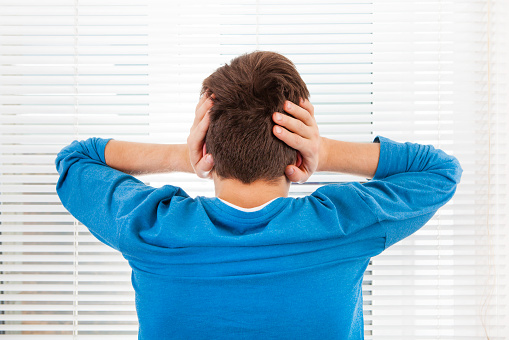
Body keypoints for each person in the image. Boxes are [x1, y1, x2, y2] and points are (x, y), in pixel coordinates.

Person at [55, 51, 463, 339]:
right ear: (295, 148)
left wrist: (188, 155)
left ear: (208, 145)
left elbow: (76, 159)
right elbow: (441, 172)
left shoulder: (150, 227)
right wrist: (321, 151)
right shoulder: (342, 224)